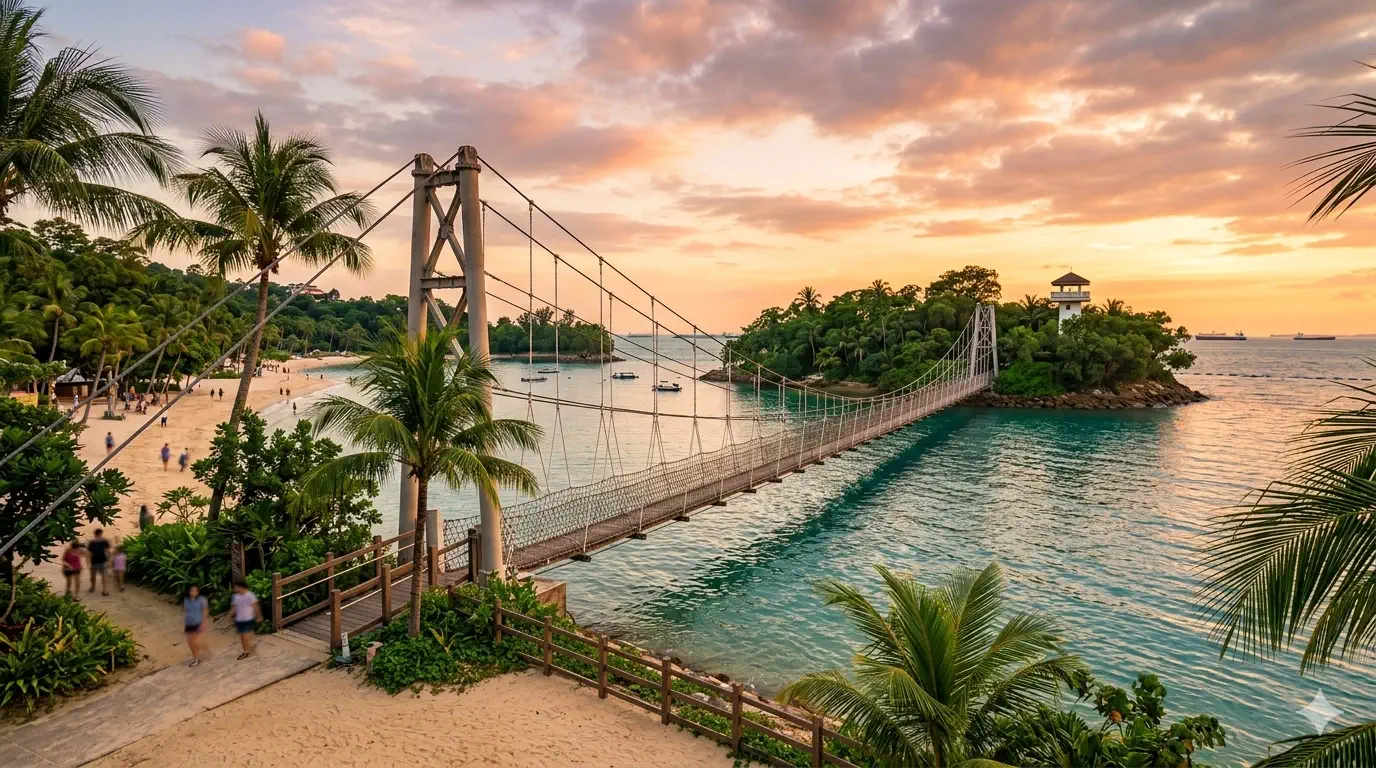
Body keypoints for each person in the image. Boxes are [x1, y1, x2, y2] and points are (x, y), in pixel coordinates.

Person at [230, 578, 262, 660]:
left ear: (241, 587)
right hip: (239, 619)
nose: (235, 589)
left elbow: (255, 606)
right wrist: (230, 615)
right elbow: (234, 607)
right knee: (242, 635)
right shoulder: (235, 597)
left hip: (248, 618)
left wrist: (258, 616)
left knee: (244, 634)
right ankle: (246, 648)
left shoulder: (250, 595)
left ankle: (246, 652)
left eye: (236, 587)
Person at [183, 585, 209, 667]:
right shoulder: (187, 599)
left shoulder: (202, 600)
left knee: (192, 641)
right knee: (190, 642)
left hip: (197, 622)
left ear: (197, 592)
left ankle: (196, 659)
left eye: (195, 591)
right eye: (191, 591)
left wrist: (204, 622)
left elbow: (205, 611)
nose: (193, 592)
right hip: (189, 622)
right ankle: (198, 654)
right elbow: (186, 610)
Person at [86, 528, 110, 595]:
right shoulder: (92, 542)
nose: (100, 535)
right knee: (93, 576)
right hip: (94, 561)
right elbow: (89, 552)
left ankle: (105, 590)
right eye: (99, 534)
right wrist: (88, 561)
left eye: (100, 534)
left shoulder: (104, 541)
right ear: (96, 534)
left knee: (104, 576)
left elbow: (107, 551)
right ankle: (93, 586)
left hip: (103, 561)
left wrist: (108, 561)